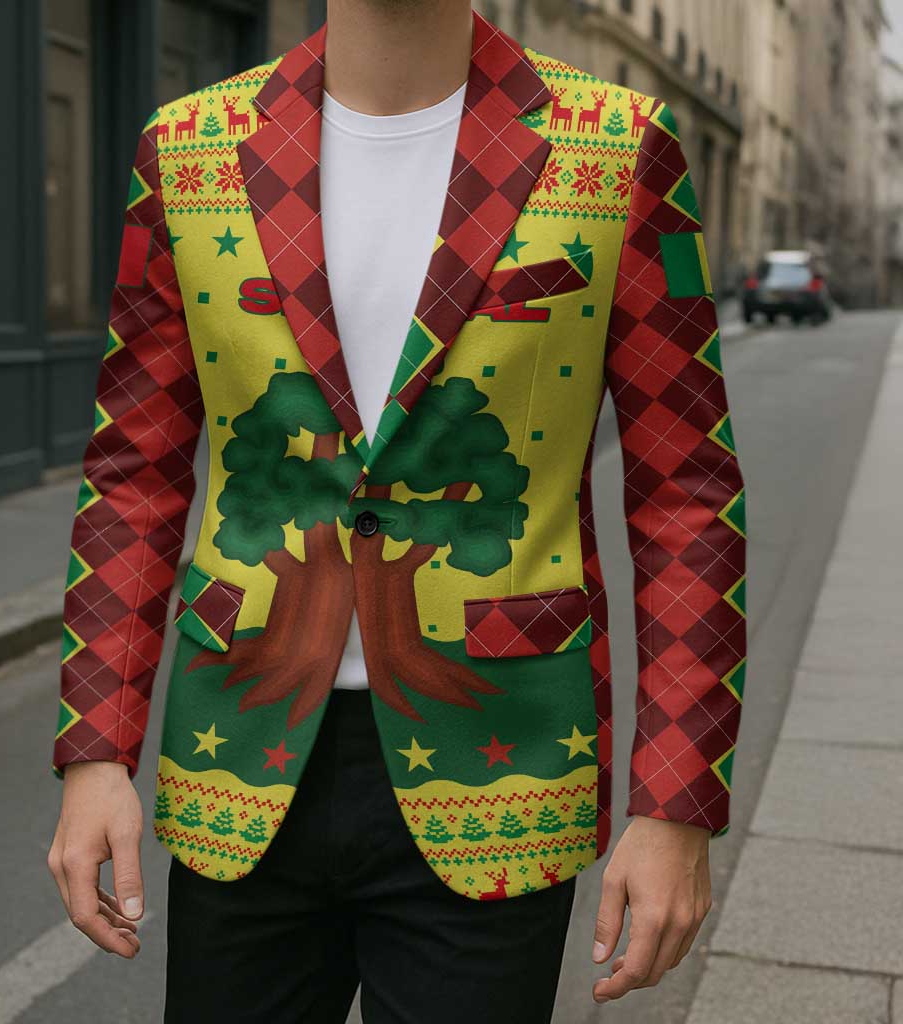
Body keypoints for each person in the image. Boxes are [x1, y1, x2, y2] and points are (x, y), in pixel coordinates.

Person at [47, 2, 748, 1021]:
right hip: (239, 754)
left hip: (500, 763)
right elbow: (133, 473)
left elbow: (689, 492)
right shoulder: (186, 151)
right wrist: (94, 747)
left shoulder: (619, 150)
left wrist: (677, 800)